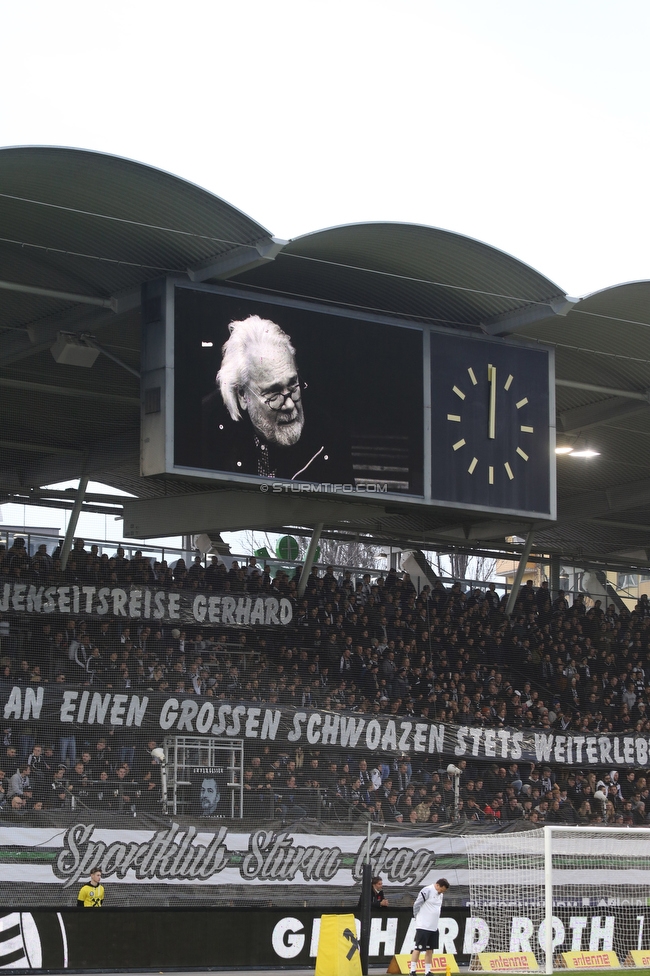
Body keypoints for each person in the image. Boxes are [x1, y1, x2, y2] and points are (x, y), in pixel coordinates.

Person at [203, 314, 347, 481]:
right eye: (274, 393)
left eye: (293, 385)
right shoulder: (205, 428)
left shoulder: (328, 436)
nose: (289, 404)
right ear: (242, 395)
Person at [409, 878, 450, 976]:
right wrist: (417, 918)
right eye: (441, 890)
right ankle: (412, 970)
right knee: (418, 948)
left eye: (443, 891)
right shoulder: (427, 890)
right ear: (437, 885)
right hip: (423, 925)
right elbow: (417, 904)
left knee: (430, 949)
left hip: (434, 926)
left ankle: (427, 971)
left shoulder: (441, 895)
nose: (441, 892)